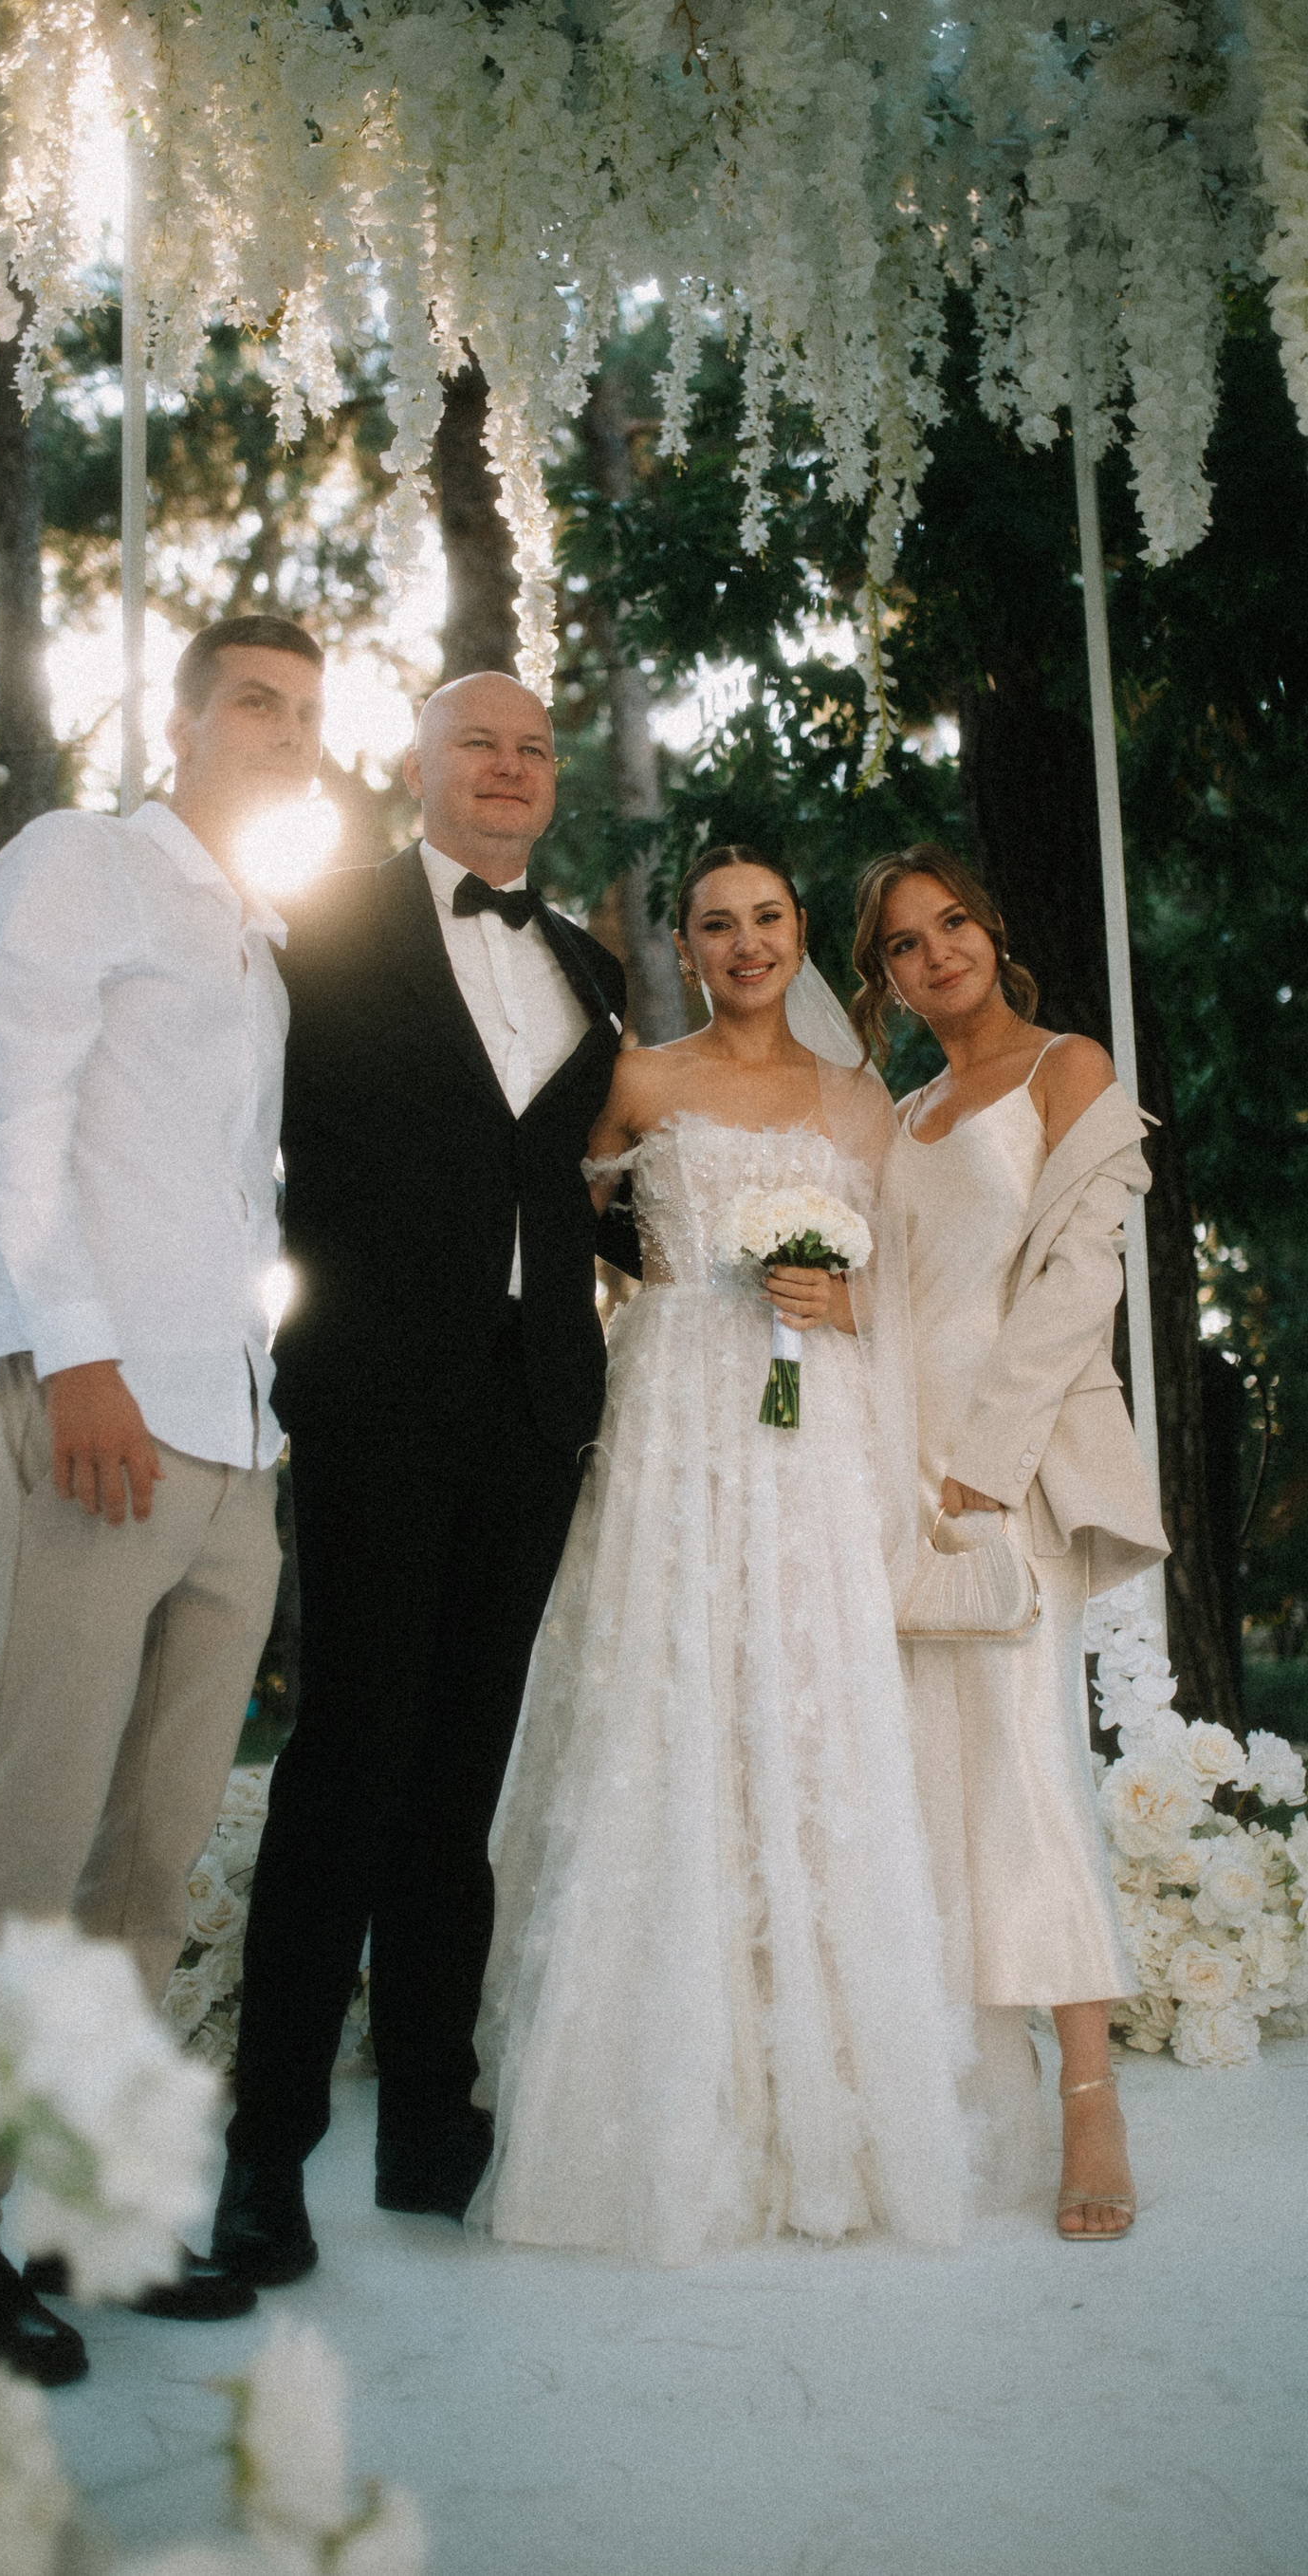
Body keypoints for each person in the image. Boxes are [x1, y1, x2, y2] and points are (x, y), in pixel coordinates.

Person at [0, 615, 325, 2381]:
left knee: (150, 1857)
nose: (284, 734)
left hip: (229, 1442)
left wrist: (260, 1418)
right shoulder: (80, 863)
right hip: (96, 1415)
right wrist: (72, 1358)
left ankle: (81, 2209)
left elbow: (228, 1200)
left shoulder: (257, 947)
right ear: (182, 720)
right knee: (30, 1832)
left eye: (307, 715)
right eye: (255, 703)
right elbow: (9, 1119)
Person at [469, 845, 968, 2265]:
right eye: (716, 925)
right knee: (667, 1691)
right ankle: (644, 2080)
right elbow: (551, 1218)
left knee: (806, 1703)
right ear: (684, 947)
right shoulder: (638, 1078)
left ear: (799, 936)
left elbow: (907, 1283)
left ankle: (824, 2081)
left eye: (768, 920)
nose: (746, 944)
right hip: (675, 1419)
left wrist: (839, 1301)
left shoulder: (860, 1099)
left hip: (811, 1432)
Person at [210, 671, 633, 2281]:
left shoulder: (590, 968)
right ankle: (266, 2153)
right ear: (417, 765)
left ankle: (428, 2123)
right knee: (347, 1760)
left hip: (534, 1412)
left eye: (533, 748)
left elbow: (567, 1184)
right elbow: (238, 1138)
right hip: (374, 1400)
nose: (510, 767)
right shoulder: (316, 930)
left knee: (463, 1777)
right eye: (479, 743)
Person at [853, 843, 1169, 2242]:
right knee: (920, 1780)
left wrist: (982, 1473)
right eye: (904, 944)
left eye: (952, 924)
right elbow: (883, 1294)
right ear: (885, 981)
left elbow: (1076, 1286)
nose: (938, 954)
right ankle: (957, 2087)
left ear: (991, 927)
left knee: (1029, 1772)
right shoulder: (900, 1116)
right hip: (889, 1469)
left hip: (1007, 1470)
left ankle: (1092, 2097)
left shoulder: (1065, 1069)